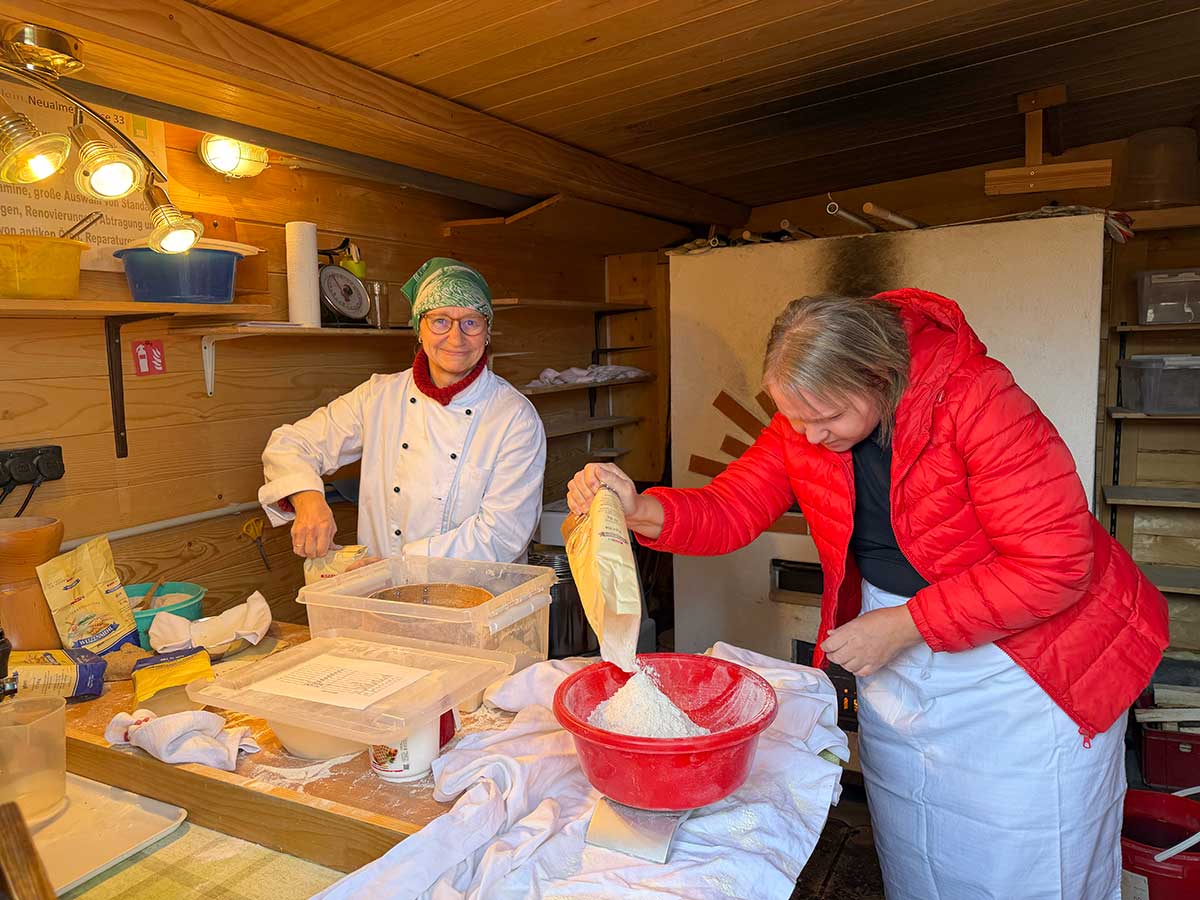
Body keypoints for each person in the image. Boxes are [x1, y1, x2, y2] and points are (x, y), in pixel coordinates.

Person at [567, 289, 1169, 900]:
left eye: (827, 419)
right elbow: (732, 508)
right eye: (797, 419)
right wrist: (641, 508)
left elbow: (1055, 563)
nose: (809, 434)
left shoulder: (977, 398)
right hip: (905, 636)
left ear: (879, 378)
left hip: (1033, 658)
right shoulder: (808, 416)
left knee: (1024, 845)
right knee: (919, 830)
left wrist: (906, 625)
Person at [260, 257, 546, 563]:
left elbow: (502, 537)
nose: (456, 337)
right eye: (440, 321)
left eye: (471, 322)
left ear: (487, 332)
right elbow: (289, 444)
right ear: (419, 328)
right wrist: (307, 498)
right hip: (384, 599)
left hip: (474, 601)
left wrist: (398, 566)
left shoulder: (515, 418)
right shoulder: (379, 396)